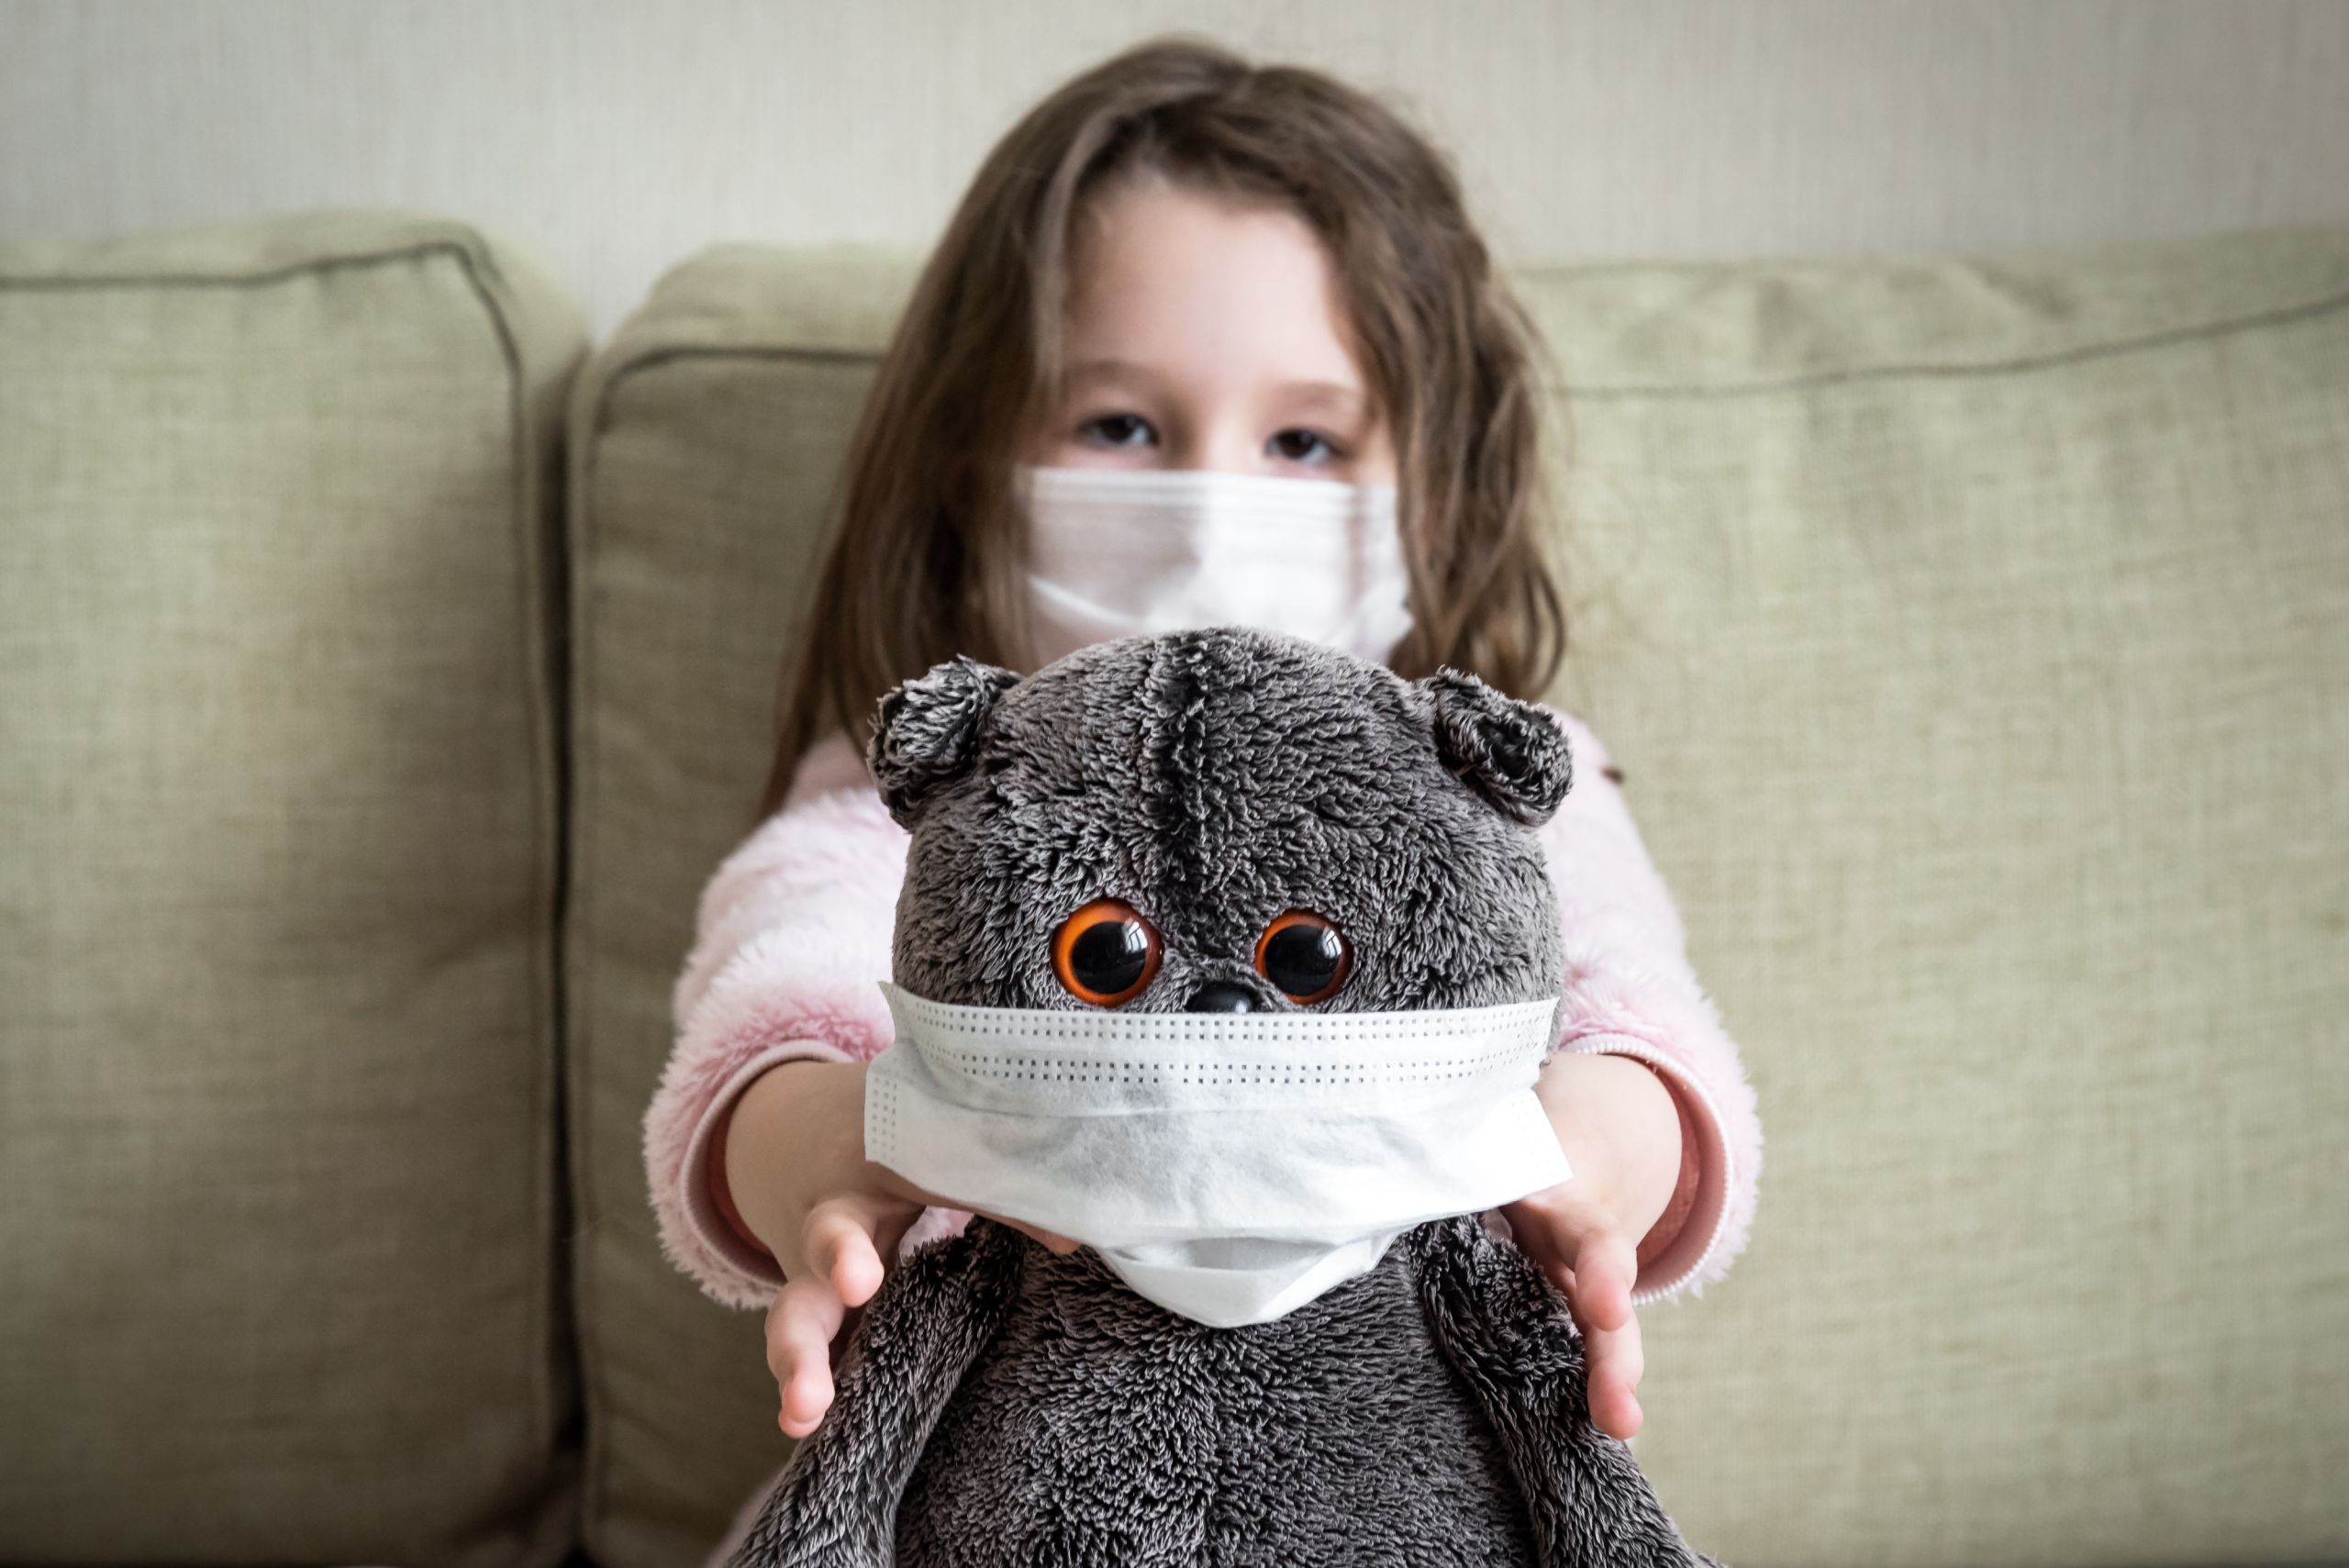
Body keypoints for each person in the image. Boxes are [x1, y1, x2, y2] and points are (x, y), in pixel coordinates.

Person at [644, 34, 1764, 1473]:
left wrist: (1587, 1161)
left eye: (1305, 443)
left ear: (1437, 489)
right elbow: (777, 994)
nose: (1209, 511)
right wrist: (832, 1152)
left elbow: (1641, 1014)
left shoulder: (1500, 796)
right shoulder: (903, 807)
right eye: (1121, 424)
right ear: (969, 471)